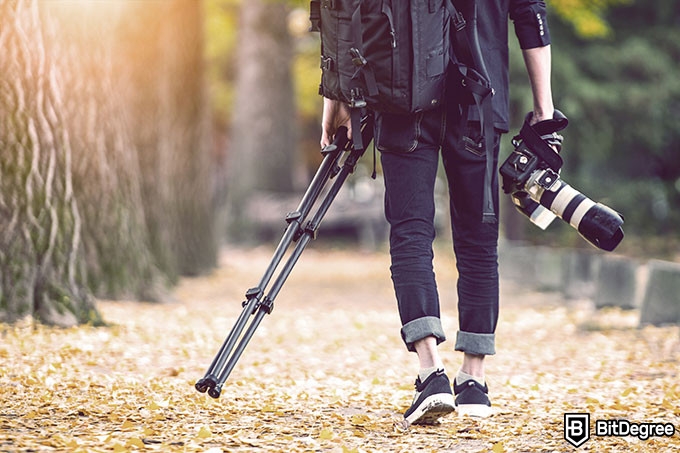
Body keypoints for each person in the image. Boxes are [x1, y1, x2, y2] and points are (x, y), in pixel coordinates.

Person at [320, 0, 555, 425]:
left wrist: (336, 101)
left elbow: (346, 15)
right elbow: (530, 15)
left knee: (410, 232)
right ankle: (474, 381)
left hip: (400, 100)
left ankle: (431, 373)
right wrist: (544, 110)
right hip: (481, 104)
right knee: (479, 239)